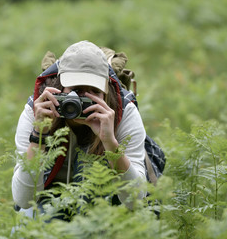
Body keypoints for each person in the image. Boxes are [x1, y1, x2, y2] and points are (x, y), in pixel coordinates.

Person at [12, 41, 147, 213]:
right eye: (76, 90)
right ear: (61, 87)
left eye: (93, 91)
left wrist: (110, 143)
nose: (83, 100)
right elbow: (24, 200)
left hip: (106, 207)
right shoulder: (39, 109)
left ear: (106, 92)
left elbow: (136, 202)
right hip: (47, 202)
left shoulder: (124, 112)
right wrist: (38, 134)